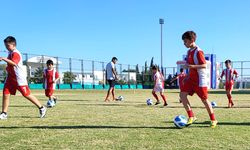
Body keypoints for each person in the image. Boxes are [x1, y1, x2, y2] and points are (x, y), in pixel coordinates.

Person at [0, 36, 46, 119]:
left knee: (26, 94)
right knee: (5, 93)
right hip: (10, 77)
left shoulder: (15, 53)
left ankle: (42, 108)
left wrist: (3, 59)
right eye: (5, 46)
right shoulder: (10, 53)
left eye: (8, 46)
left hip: (19, 78)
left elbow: (14, 63)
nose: (6, 47)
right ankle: (4, 113)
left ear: (13, 45)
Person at [180, 31, 217, 128]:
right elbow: (189, 66)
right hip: (191, 79)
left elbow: (204, 65)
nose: (184, 44)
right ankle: (191, 116)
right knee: (182, 95)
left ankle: (213, 119)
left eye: (185, 41)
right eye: (183, 42)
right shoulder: (188, 52)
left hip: (200, 80)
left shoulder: (198, 51)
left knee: (204, 100)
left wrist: (191, 66)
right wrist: (187, 76)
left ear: (192, 40)